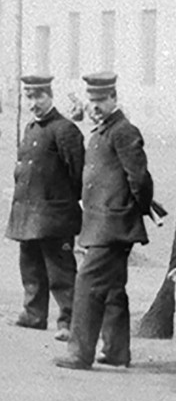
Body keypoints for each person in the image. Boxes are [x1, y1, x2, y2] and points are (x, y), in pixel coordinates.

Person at [55, 72, 153, 370]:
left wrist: (132, 209)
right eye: (92, 100)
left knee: (86, 284)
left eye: (101, 100)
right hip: (101, 223)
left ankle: (79, 353)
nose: (94, 106)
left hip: (112, 226)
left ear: (114, 99)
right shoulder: (102, 131)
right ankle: (115, 351)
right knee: (112, 290)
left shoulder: (123, 131)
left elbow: (140, 178)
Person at [6, 75, 84, 342]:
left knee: (60, 270)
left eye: (38, 96)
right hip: (29, 212)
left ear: (50, 96)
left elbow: (77, 174)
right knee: (30, 266)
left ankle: (70, 321)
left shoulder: (65, 130)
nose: (33, 103)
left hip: (54, 214)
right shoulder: (30, 128)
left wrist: (61, 201)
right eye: (28, 97)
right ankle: (34, 314)